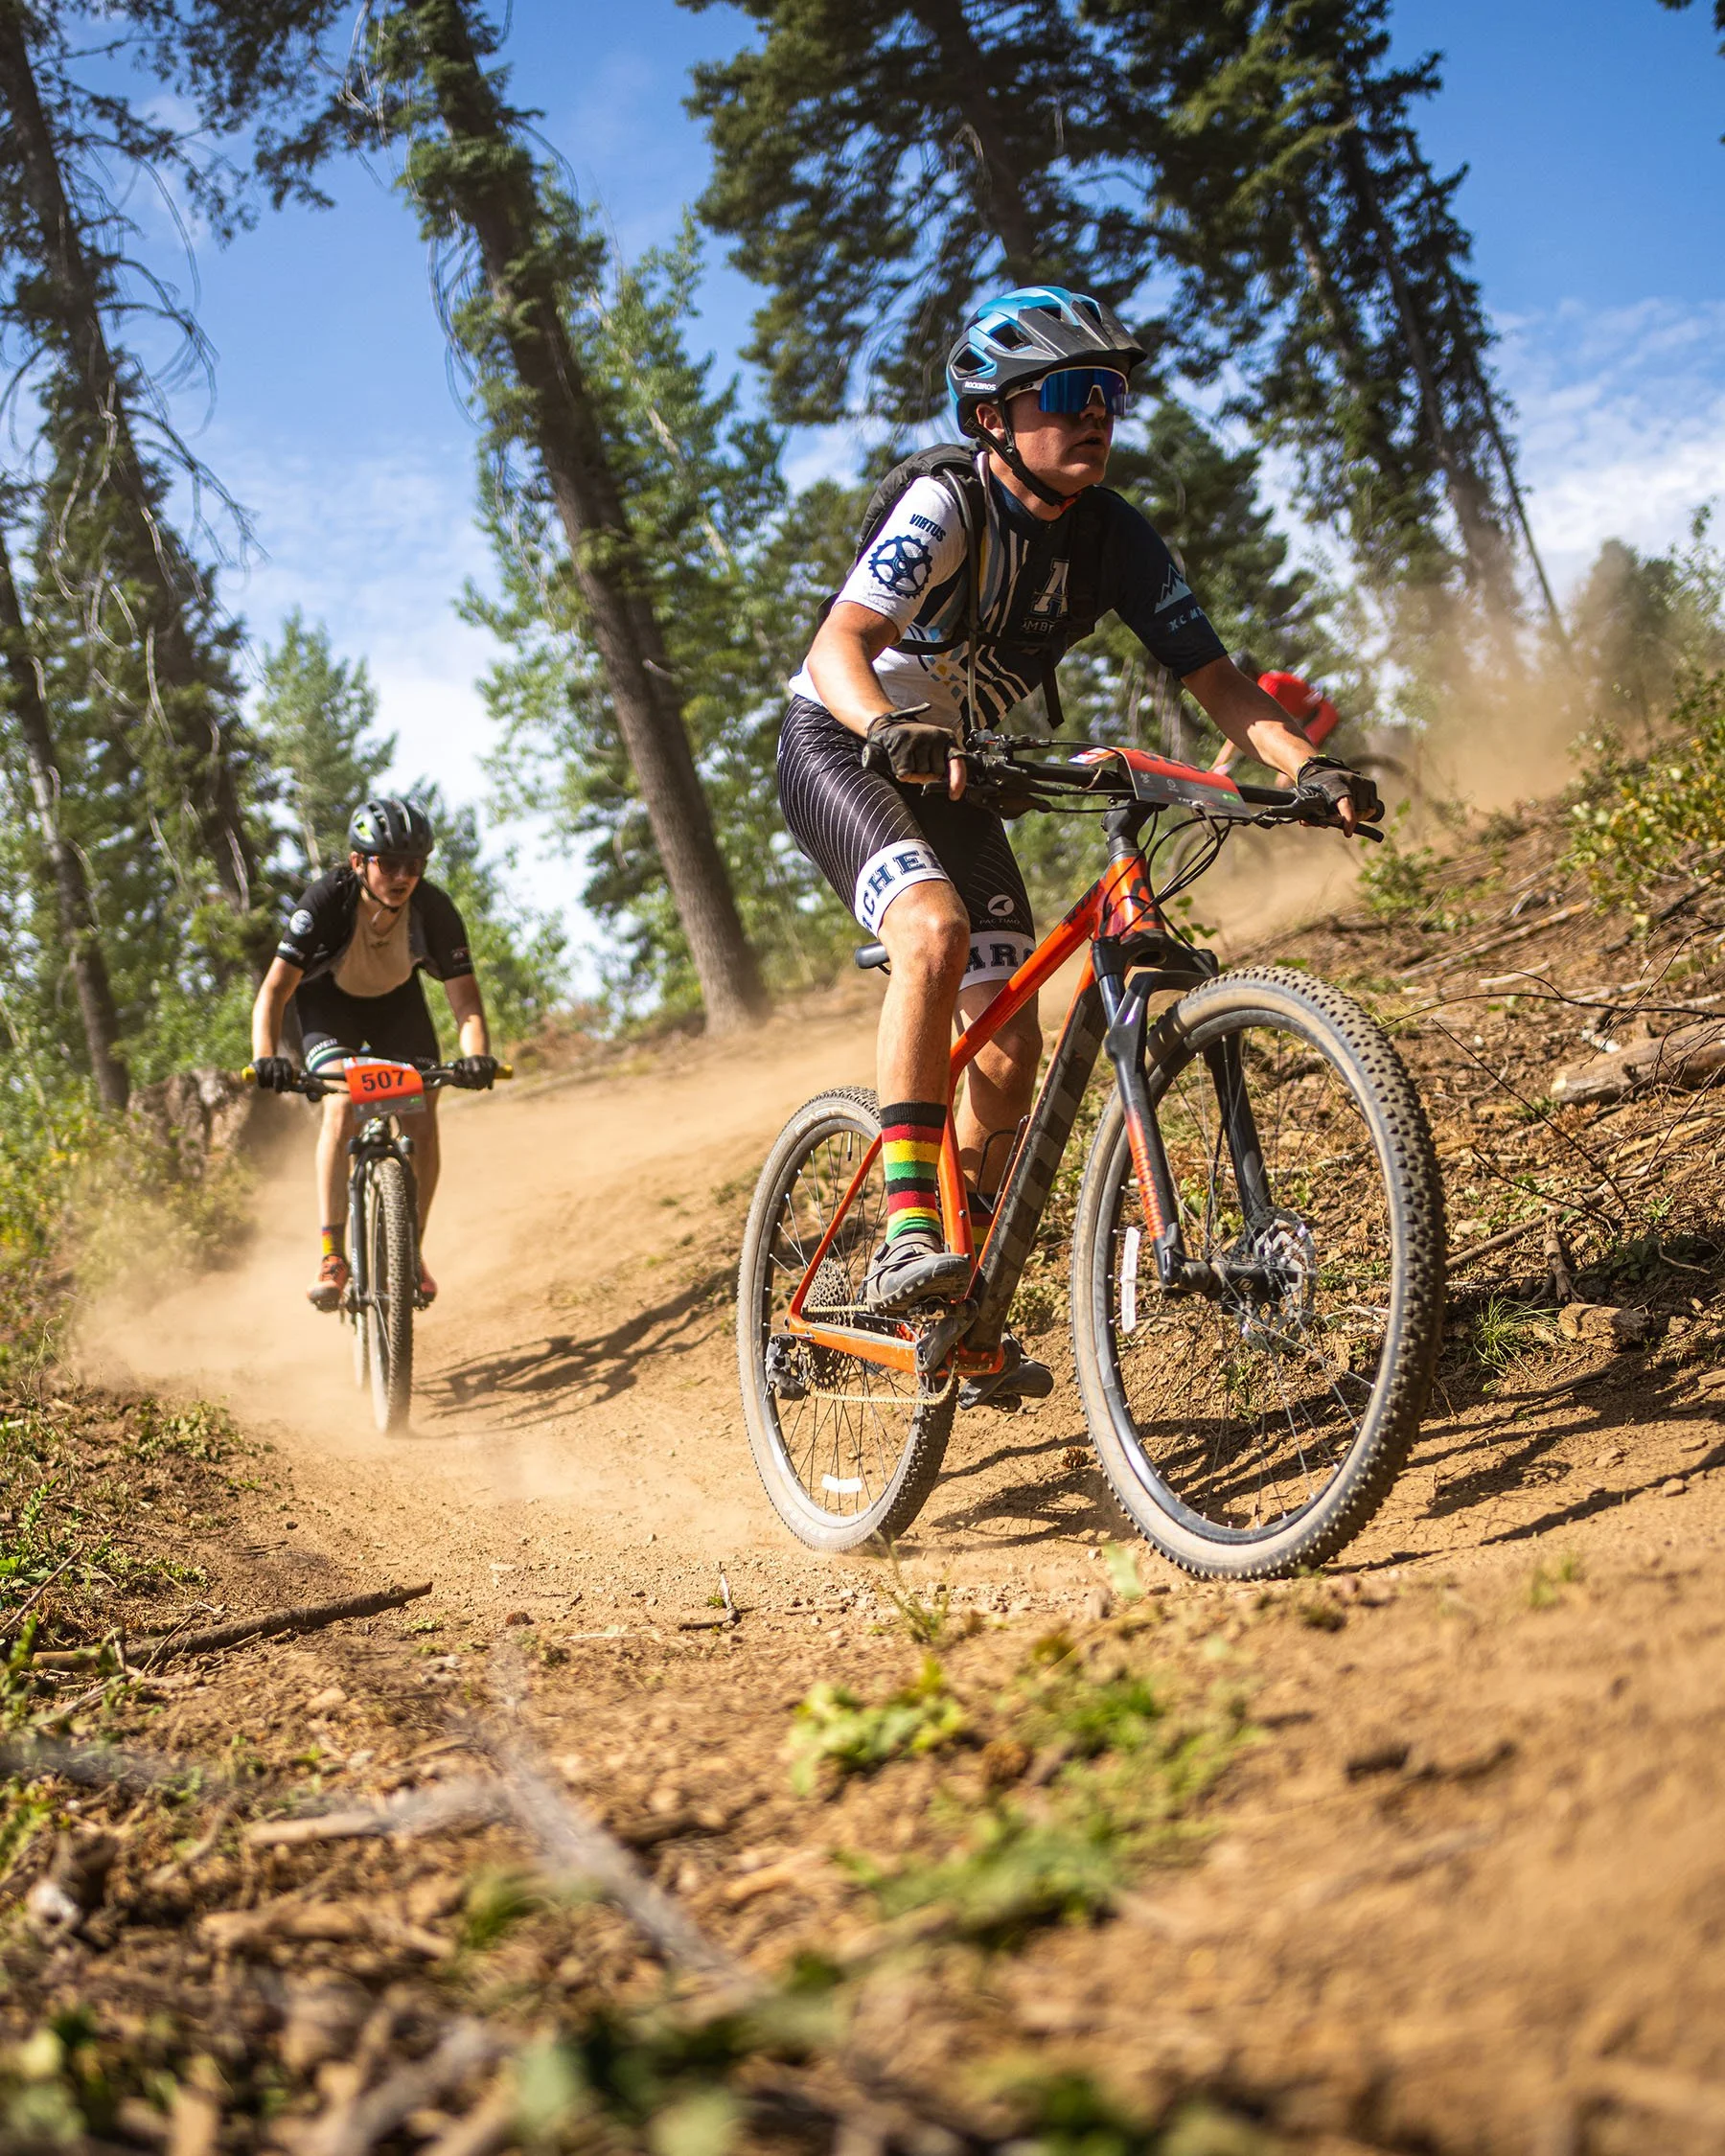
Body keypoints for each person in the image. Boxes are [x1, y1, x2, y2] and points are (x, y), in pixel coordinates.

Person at [778, 285, 1382, 1353]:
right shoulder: (943, 503)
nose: (1096, 411)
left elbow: (1220, 681)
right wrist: (887, 730)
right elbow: (838, 647)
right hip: (844, 742)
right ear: (993, 418)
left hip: (957, 768)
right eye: (1065, 390)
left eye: (1108, 390)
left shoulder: (1111, 537)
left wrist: (1313, 767)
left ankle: (945, 1261)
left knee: (1010, 1057)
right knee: (931, 931)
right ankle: (905, 1230)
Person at [249, 797, 499, 1312]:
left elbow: (466, 1000)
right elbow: (274, 991)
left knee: (423, 1115)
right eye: (390, 864)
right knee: (342, 1103)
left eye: (415, 865)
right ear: (359, 862)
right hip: (328, 1006)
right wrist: (267, 1055)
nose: (403, 876)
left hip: (396, 1008)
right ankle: (332, 1256)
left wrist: (475, 1056)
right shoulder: (324, 902)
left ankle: (411, 1249)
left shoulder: (433, 909)